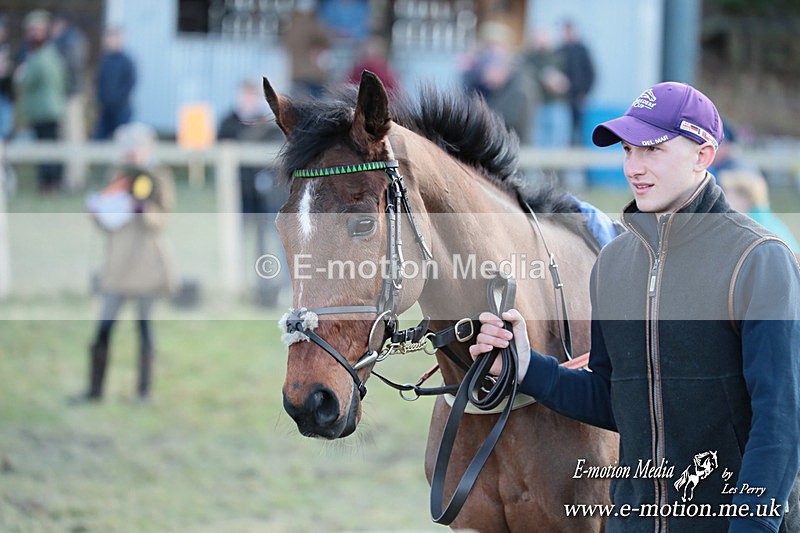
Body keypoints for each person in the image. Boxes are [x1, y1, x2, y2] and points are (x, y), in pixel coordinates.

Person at [470, 82, 800, 532]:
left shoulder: (758, 258)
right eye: (628, 150)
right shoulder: (614, 264)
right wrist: (528, 367)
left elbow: (780, 418)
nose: (634, 167)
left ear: (703, 156)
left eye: (653, 150)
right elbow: (614, 398)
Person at [80, 122, 176, 401]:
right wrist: (99, 213)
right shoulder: (117, 175)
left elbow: (162, 219)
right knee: (104, 325)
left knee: (144, 327)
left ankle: (144, 392)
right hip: (117, 262)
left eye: (134, 149)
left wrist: (142, 209)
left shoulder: (158, 176)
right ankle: (94, 390)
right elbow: (110, 219)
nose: (129, 154)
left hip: (146, 261)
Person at [13, 10, 66, 193]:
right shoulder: (52, 53)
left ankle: (49, 185)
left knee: (46, 150)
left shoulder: (39, 56)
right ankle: (51, 183)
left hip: (44, 110)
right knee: (50, 148)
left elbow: (27, 81)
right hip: (51, 108)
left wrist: (19, 75)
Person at [462, 22, 538, 145]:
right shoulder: (477, 75)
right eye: (488, 46)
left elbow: (511, 118)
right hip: (486, 144)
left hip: (514, 145)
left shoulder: (520, 78)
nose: (491, 51)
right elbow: (467, 106)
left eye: (496, 45)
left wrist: (502, 84)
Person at [51, 12, 89, 188]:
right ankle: (69, 178)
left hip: (72, 96)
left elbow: (70, 67)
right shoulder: (65, 42)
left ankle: (75, 180)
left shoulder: (71, 42)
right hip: (65, 96)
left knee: (74, 138)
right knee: (65, 138)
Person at [720, 168, 799, 252]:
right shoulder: (766, 217)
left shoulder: (753, 224)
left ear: (745, 198)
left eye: (730, 196)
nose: (725, 200)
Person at [93, 27, 136, 140]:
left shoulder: (126, 61)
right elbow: (98, 82)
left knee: (122, 140)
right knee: (98, 140)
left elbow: (129, 84)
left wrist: (115, 100)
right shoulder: (105, 60)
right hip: (105, 110)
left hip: (121, 109)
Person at [283, 0, 332, 98]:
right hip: (303, 77)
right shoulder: (293, 23)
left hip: (311, 77)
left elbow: (325, 43)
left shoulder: (315, 21)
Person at [557, 19, 594, 146]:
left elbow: (591, 73)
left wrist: (585, 92)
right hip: (563, 98)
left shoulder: (582, 50)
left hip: (578, 97)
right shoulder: (560, 50)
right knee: (563, 131)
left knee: (578, 130)